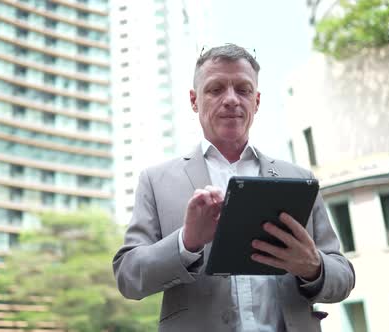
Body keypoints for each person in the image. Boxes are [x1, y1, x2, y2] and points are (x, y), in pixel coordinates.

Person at [112, 44, 355, 332]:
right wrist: (186, 243)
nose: (231, 99)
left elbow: (343, 277)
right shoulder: (156, 180)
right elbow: (128, 276)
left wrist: (313, 266)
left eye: (243, 89)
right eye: (216, 89)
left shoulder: (298, 179)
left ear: (257, 100)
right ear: (194, 100)